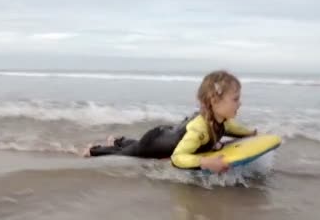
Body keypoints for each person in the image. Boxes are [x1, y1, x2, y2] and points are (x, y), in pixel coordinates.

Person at [82, 70, 257, 172]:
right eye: (235, 99)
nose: (239, 103)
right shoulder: (200, 130)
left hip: (165, 134)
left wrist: (250, 133)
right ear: (214, 101)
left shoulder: (221, 120)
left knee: (132, 145)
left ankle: (118, 139)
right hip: (153, 143)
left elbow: (232, 128)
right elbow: (177, 157)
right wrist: (205, 162)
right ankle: (93, 150)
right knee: (129, 153)